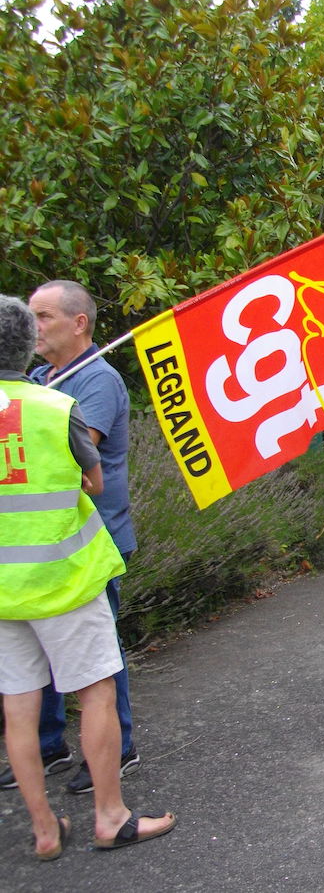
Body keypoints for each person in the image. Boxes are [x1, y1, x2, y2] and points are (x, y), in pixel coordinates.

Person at [0, 295, 176, 858]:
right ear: (25, 341)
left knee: (18, 706)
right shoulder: (53, 407)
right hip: (65, 579)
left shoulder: (82, 385)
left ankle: (45, 831)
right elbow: (91, 482)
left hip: (5, 589)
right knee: (96, 688)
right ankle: (110, 815)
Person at [16, 280, 140, 797]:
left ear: (79, 323)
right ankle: (49, 746)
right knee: (34, 650)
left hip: (92, 540)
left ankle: (119, 747)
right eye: (31, 316)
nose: (34, 326)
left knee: (99, 653)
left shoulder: (98, 381)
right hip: (40, 541)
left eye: (44, 316)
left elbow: (70, 453)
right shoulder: (43, 377)